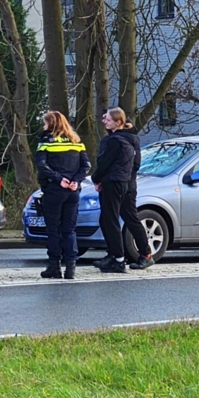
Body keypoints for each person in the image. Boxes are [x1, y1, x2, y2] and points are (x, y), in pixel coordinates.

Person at [90, 107, 153, 273]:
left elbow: (105, 163)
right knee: (129, 218)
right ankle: (143, 253)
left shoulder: (115, 140)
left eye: (107, 119)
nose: (104, 121)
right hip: (128, 183)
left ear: (118, 122)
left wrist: (96, 178)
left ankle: (117, 257)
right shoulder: (132, 139)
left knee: (109, 219)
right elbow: (136, 164)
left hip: (116, 182)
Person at [35, 112, 91, 280]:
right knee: (69, 230)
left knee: (53, 230)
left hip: (54, 190)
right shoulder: (76, 141)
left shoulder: (46, 140)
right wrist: (75, 180)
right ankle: (71, 268)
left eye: (45, 123)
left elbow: (42, 165)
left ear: (51, 124)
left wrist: (59, 179)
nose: (43, 126)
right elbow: (86, 165)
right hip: (73, 192)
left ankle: (54, 266)